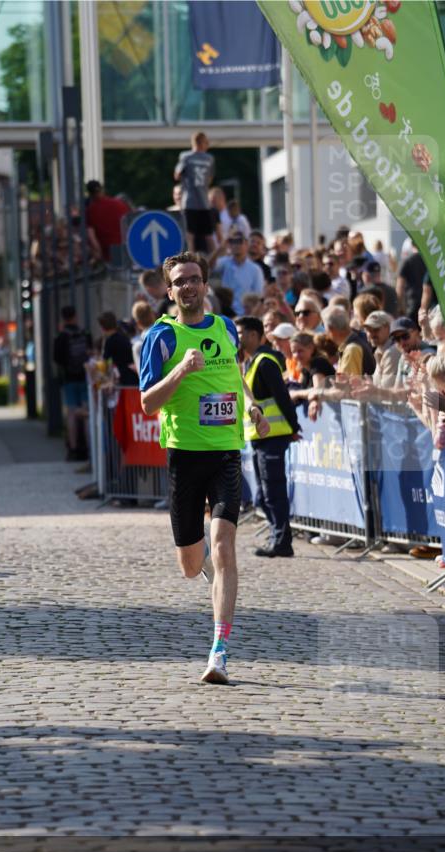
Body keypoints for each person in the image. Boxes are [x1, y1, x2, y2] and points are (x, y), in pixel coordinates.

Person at [139, 252, 268, 685]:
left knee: (226, 546)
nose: (189, 286)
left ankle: (219, 651)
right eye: (180, 281)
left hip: (227, 452)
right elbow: (147, 402)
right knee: (192, 565)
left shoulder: (226, 327)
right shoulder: (161, 336)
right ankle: (208, 571)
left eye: (195, 278)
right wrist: (180, 370)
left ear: (206, 285)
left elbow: (233, 370)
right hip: (184, 456)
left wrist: (252, 406)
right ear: (170, 291)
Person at [237, 315, 299, 558]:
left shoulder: (265, 362)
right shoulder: (251, 362)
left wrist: (293, 427)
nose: (238, 337)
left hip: (274, 436)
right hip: (260, 437)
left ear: (254, 335)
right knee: (263, 495)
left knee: (272, 492)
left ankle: (282, 541)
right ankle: (278, 536)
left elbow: (282, 397)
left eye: (241, 333)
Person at [53, 305, 92, 460]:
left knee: (71, 414)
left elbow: (56, 358)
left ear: (63, 318)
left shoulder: (61, 336)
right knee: (87, 413)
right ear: (75, 316)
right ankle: (90, 448)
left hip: (69, 379)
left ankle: (73, 448)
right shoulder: (85, 333)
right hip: (84, 377)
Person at [174, 131, 215, 253]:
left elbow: (177, 175)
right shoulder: (210, 158)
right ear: (202, 143)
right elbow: (209, 179)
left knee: (189, 235)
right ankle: (214, 263)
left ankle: (190, 260)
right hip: (204, 202)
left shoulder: (185, 157)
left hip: (189, 201)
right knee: (209, 235)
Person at [210, 232, 264, 314]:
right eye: (233, 241)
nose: (236, 245)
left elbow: (258, 296)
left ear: (246, 244)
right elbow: (208, 266)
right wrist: (220, 248)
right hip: (225, 311)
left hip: (243, 313)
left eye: (239, 241)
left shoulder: (255, 269)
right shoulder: (225, 262)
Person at [85, 180, 130, 262]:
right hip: (126, 249)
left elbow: (91, 235)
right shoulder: (119, 204)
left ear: (89, 193)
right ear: (102, 190)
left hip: (108, 253)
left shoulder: (90, 211)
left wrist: (98, 252)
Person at [99, 311, 139, 387]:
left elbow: (104, 363)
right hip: (134, 374)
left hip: (125, 377)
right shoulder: (123, 335)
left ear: (102, 327)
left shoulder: (109, 341)